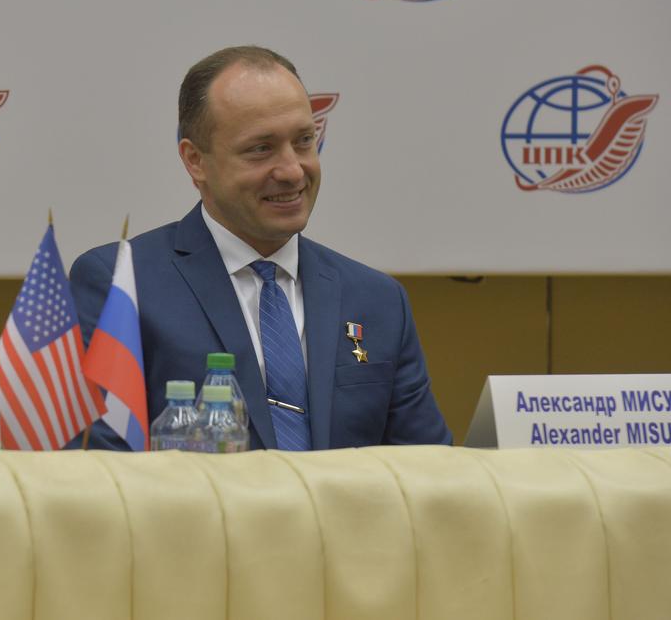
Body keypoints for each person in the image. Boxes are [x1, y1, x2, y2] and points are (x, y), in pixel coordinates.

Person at [71, 46, 450, 451]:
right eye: (260, 149)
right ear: (195, 160)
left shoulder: (377, 300)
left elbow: (429, 470)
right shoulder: (122, 284)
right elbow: (97, 468)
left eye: (304, 141)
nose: (292, 170)